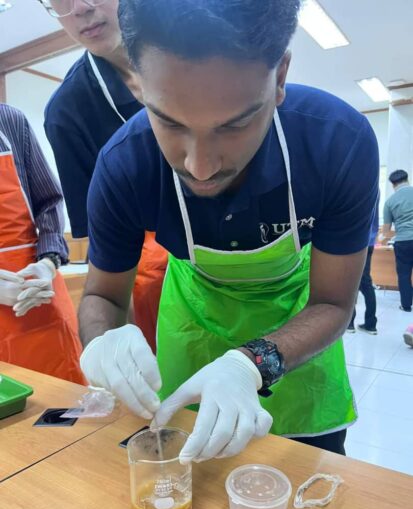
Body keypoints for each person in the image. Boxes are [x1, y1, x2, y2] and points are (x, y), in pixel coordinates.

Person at [79, 0, 379, 461]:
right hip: (194, 324)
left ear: (279, 77)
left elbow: (334, 302)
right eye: (169, 121)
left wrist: (253, 362)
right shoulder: (125, 164)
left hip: (298, 323)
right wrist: (103, 341)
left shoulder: (337, 142)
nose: (200, 166)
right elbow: (102, 296)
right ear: (138, 83)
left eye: (236, 124)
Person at [41, 0, 167, 352]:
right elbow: (106, 259)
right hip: (156, 291)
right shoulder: (68, 113)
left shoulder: (204, 46)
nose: (80, 8)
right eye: (60, 2)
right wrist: (124, 350)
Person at [0, 104, 85, 384]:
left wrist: (48, 263)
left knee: (65, 407)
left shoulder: (9, 121)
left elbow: (49, 200)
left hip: (38, 293)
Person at [382, 170, 413, 313]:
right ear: (407, 179)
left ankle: (406, 306)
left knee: (404, 274)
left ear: (393, 184)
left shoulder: (389, 202)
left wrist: (397, 232)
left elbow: (386, 231)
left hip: (403, 242)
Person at [347, 202, 379, 334]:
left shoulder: (355, 184)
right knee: (366, 282)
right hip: (370, 241)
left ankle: (349, 323)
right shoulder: (375, 189)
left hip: (354, 241)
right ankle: (371, 324)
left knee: (349, 282)